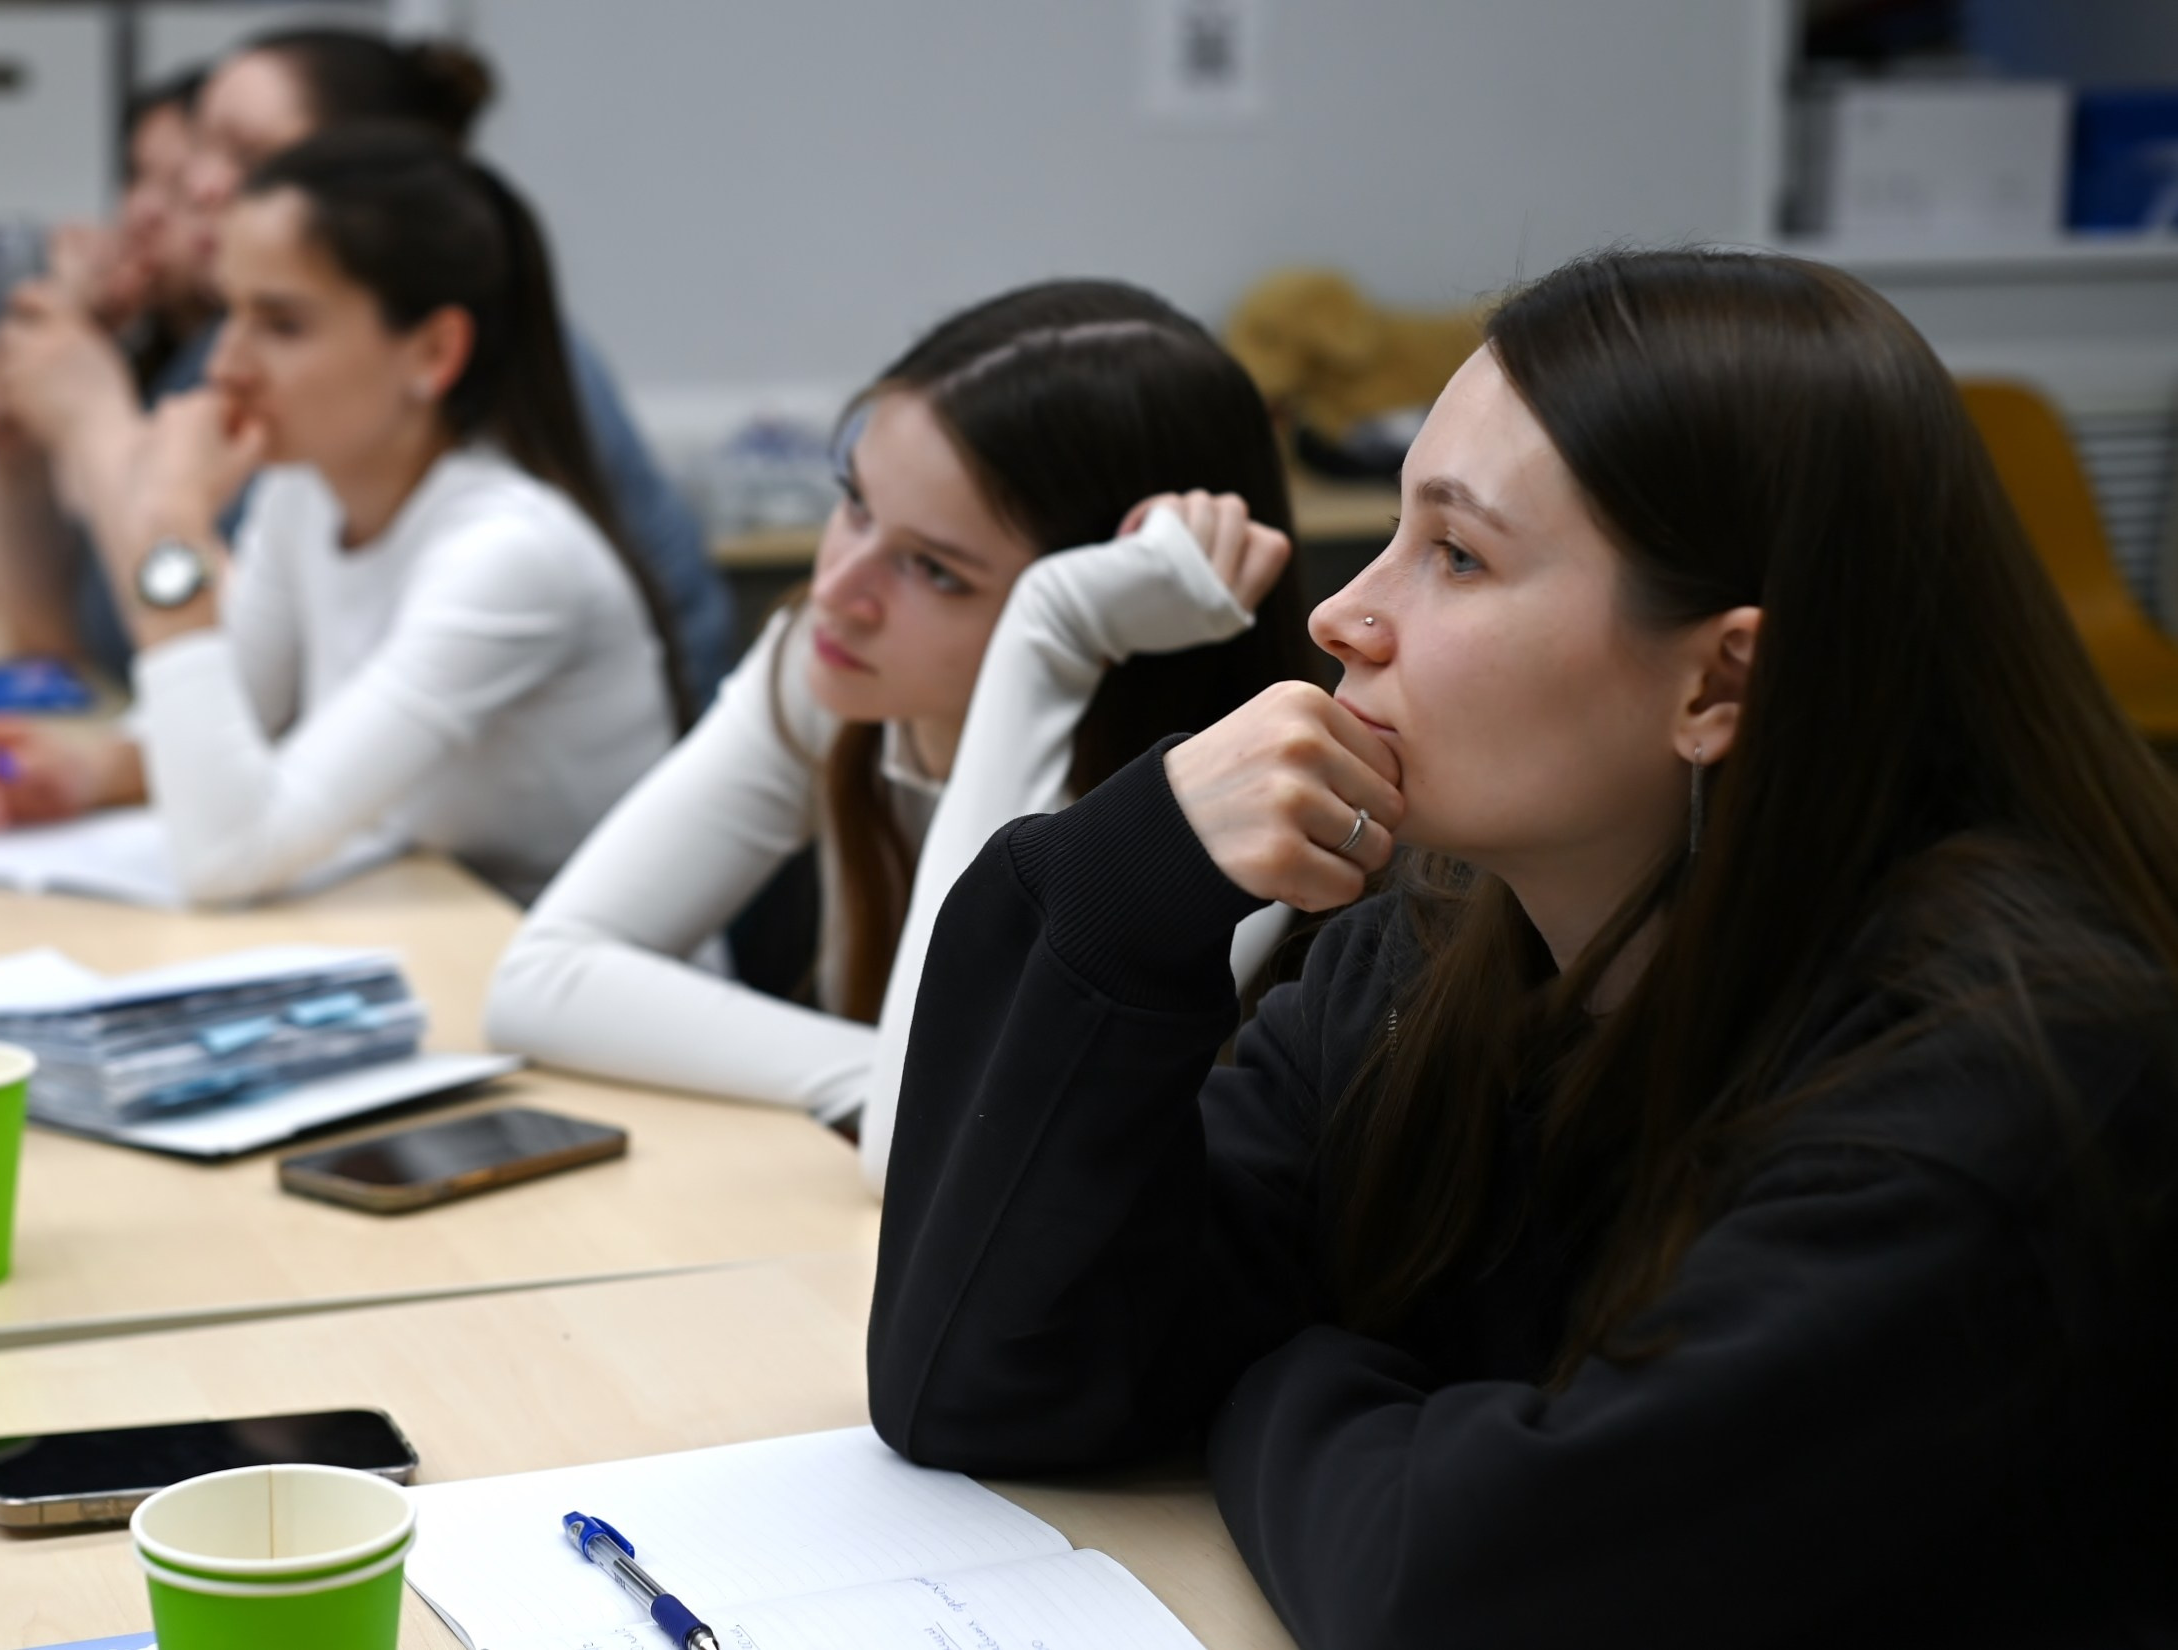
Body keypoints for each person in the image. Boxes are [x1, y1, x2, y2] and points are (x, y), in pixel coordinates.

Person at [865, 248, 2178, 1644]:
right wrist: (1134, 882)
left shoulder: (2009, 1073)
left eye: (1457, 553)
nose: (1339, 616)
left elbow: (1468, 1588)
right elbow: (989, 1382)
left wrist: (1281, 1371)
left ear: (1719, 680)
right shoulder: (1425, 960)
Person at [486, 279, 1323, 1189]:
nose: (841, 589)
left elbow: (921, 1155)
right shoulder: (829, 667)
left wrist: (1049, 631)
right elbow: (539, 981)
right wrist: (882, 1073)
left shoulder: (1227, 807)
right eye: (852, 502)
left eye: (934, 569)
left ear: (1123, 601)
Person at [0, 127, 680, 909]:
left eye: (282, 325)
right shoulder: (305, 494)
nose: (228, 365)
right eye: (227, 314)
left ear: (432, 352)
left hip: (581, 1014)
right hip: (438, 949)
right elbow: (236, 716)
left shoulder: (510, 554)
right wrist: (84, 774)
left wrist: (169, 529)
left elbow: (227, 856)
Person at [0, 28, 734, 697]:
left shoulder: (462, 428)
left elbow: (198, 673)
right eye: (198, 151)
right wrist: (18, 451)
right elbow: (116, 649)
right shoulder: (238, 373)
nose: (201, 189)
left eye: (248, 156)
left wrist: (99, 427)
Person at [0, 70, 207, 662]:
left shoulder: (223, 378)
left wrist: (90, 408)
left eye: (181, 187)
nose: (143, 212)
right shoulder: (140, 355)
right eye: (137, 177)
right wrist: (15, 449)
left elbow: (163, 635)